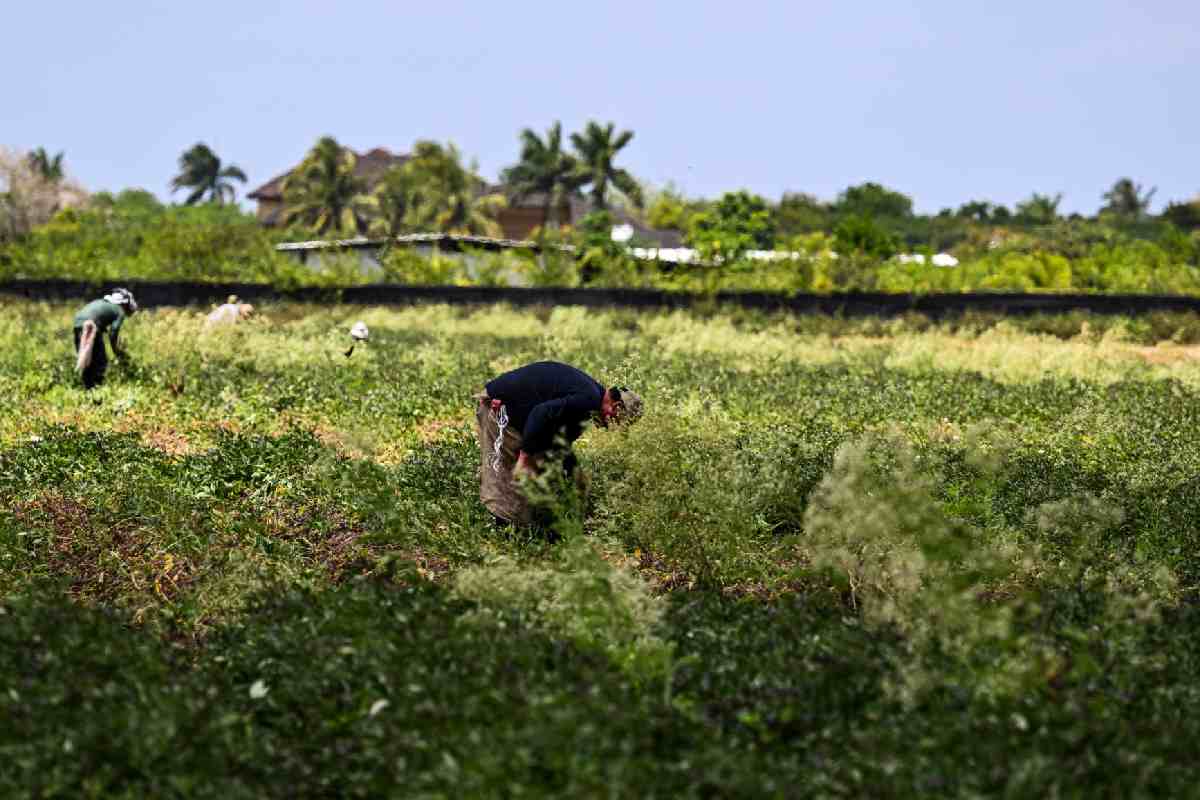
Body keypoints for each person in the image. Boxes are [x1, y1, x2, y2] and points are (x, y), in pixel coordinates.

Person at [475, 361, 643, 525]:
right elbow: (540, 413)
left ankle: (525, 523)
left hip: (515, 413)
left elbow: (559, 443)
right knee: (509, 477)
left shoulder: (591, 398)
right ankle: (505, 531)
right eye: (618, 422)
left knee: (534, 474)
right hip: (499, 408)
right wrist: (525, 459)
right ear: (616, 407)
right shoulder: (588, 400)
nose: (611, 428)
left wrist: (576, 476)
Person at [73, 288, 138, 389]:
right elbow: (114, 331)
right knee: (101, 362)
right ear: (125, 304)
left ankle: (84, 387)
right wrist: (116, 351)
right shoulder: (119, 310)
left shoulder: (101, 302)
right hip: (92, 326)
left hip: (78, 325)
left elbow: (96, 316)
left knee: (87, 362)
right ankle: (94, 389)